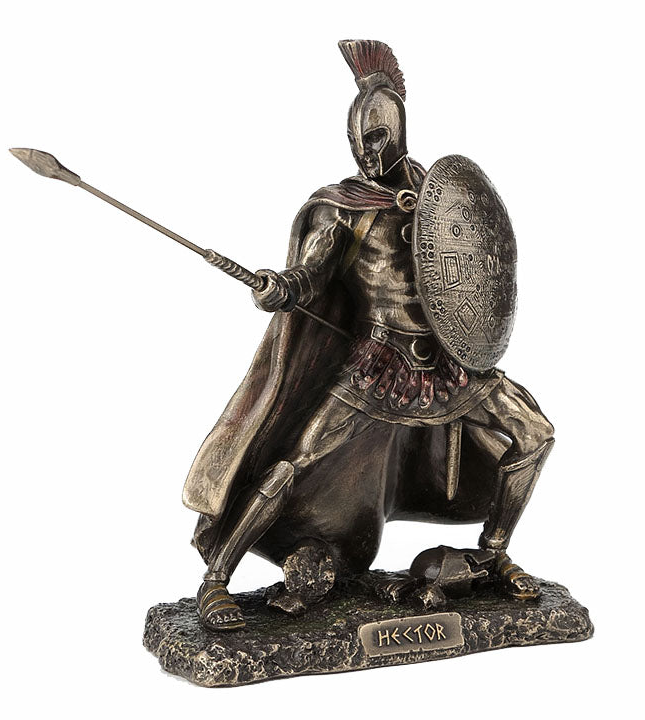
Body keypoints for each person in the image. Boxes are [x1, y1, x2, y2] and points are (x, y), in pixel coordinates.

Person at [182, 40, 554, 631]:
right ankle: (216, 580)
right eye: (358, 142)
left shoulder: (439, 196)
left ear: (400, 130)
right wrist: (282, 286)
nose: (368, 152)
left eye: (378, 138)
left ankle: (494, 552)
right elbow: (311, 275)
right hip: (380, 363)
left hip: (451, 363)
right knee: (292, 463)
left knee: (534, 434)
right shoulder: (345, 209)